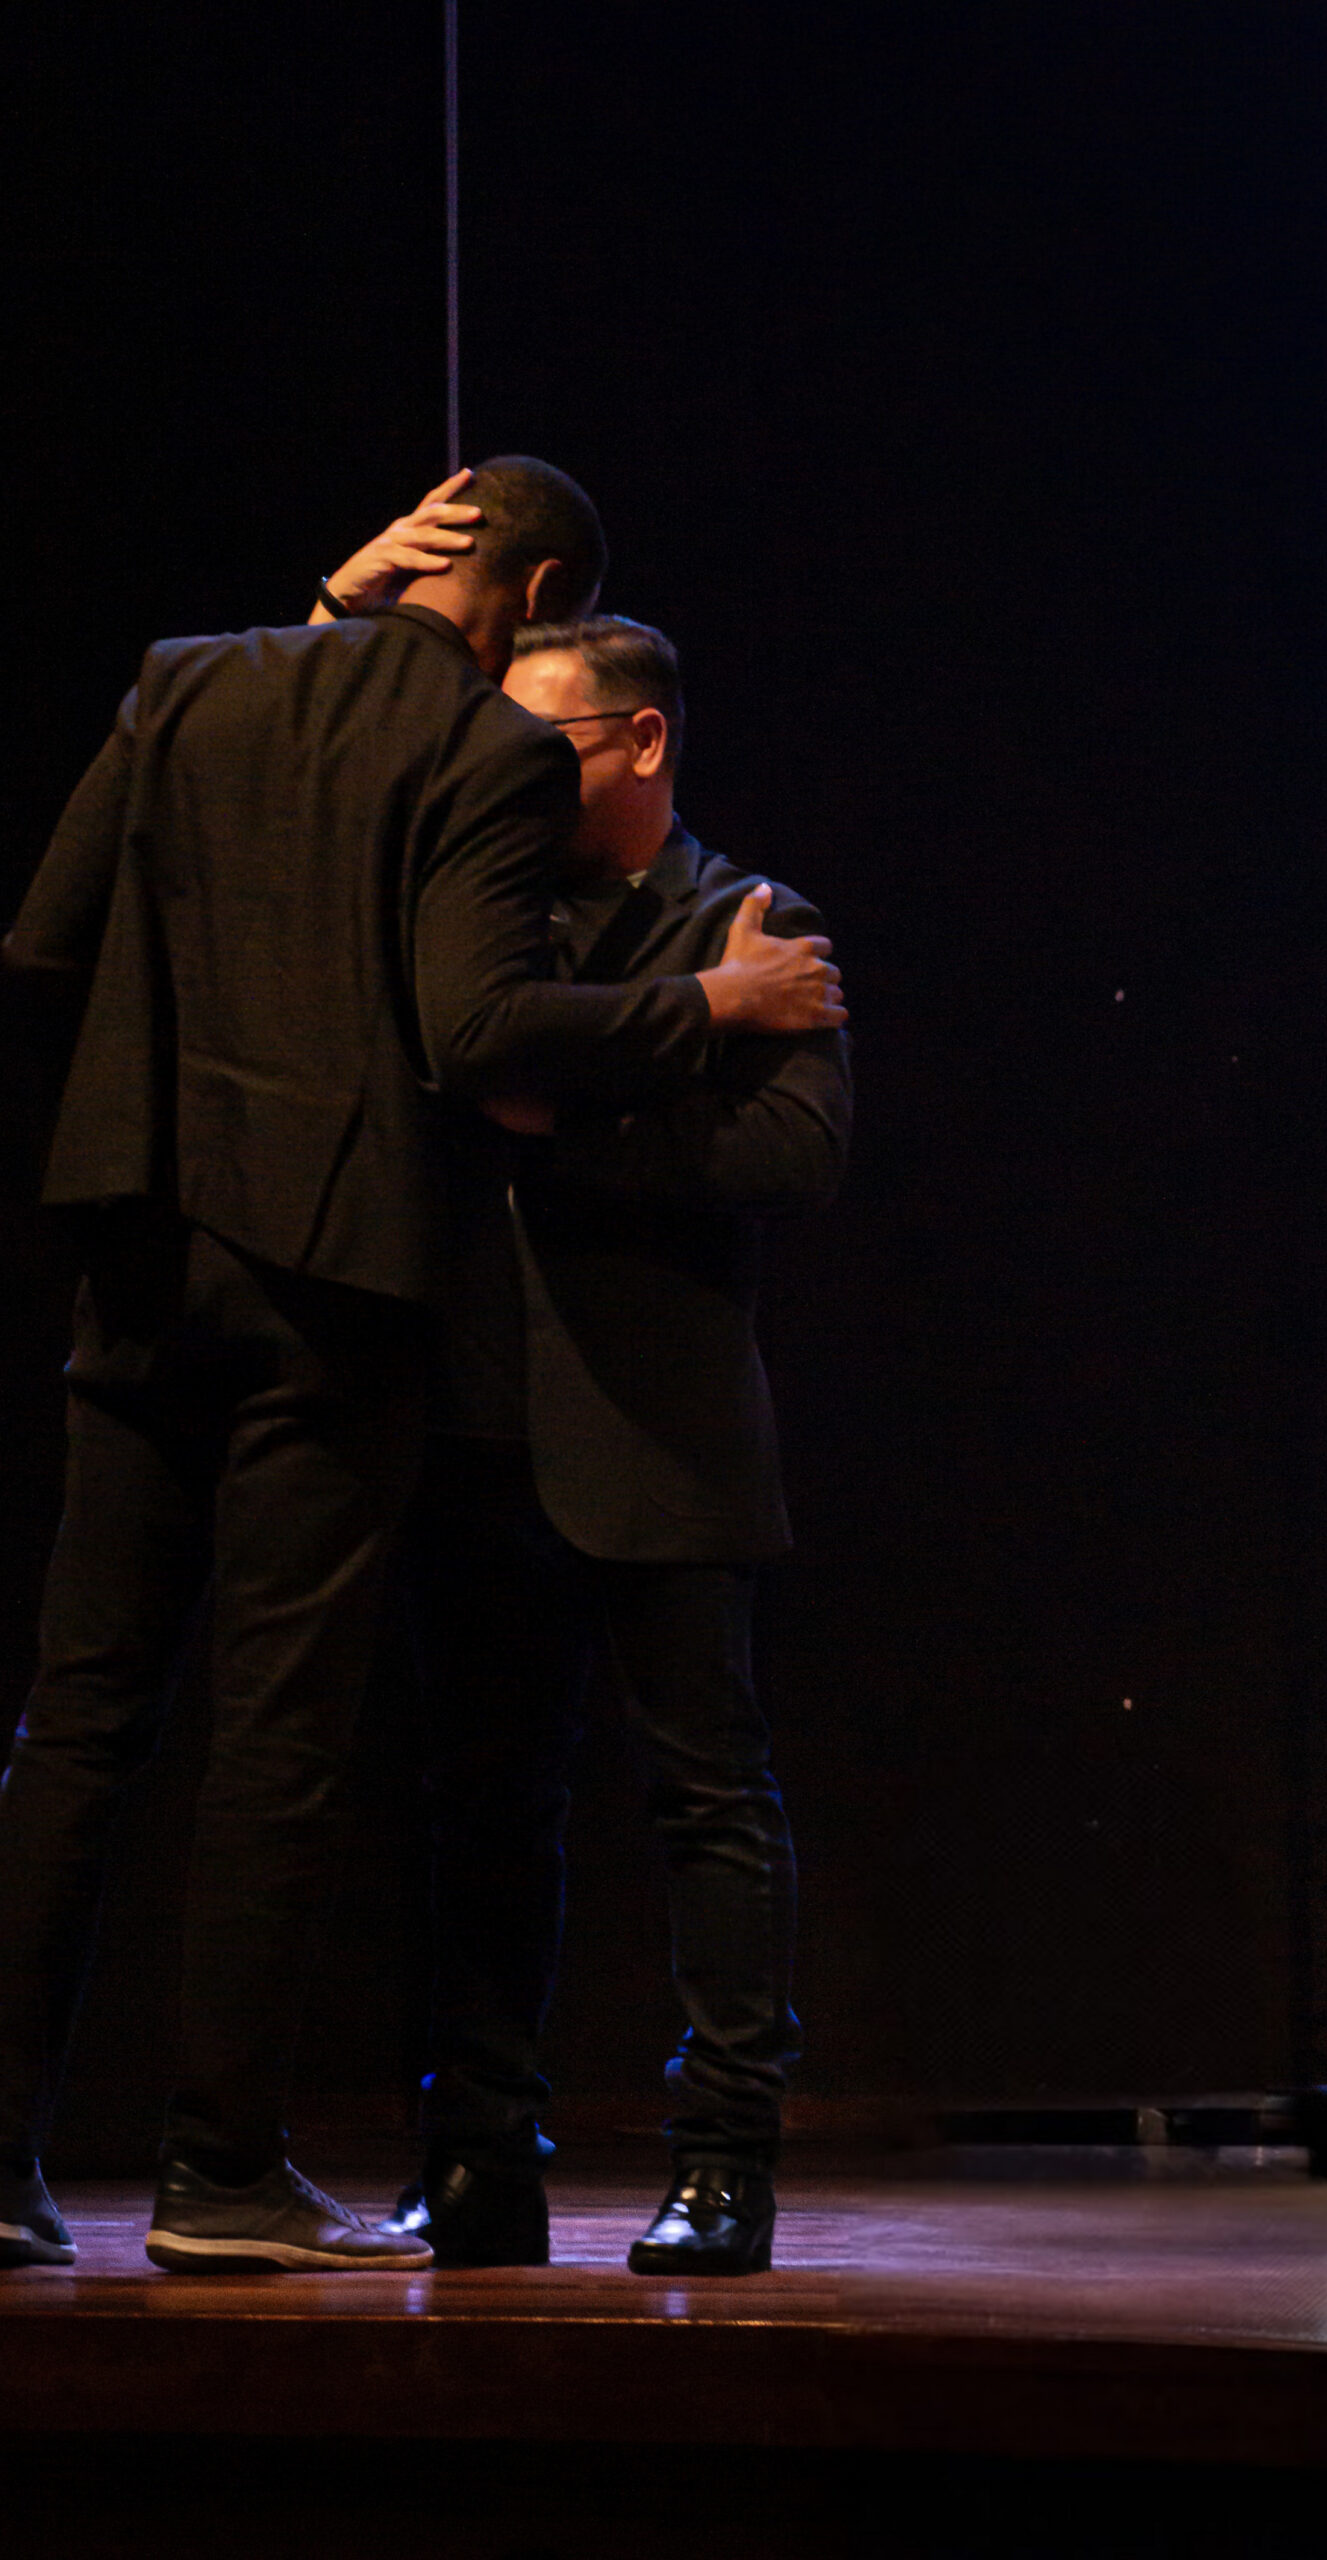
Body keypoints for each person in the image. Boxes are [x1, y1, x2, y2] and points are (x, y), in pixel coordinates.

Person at [0, 461, 842, 2275]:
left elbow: (44, 940)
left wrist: (321, 624)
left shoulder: (191, 680)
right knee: (287, 1744)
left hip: (155, 1246)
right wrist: (698, 1015)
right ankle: (224, 2174)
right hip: (339, 1287)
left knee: (83, 1716)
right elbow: (472, 1029)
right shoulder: (472, 757)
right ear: (535, 596)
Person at [371, 613, 852, 2274]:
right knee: (480, 1807)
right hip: (478, 1420)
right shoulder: (481, 916)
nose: (503, 780)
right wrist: (668, 1057)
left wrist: (552, 1134)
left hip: (660, 1428)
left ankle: (722, 2158)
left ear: (640, 741)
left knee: (705, 1799)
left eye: (541, 749)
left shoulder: (749, 916)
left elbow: (787, 1157)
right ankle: (475, 2157)